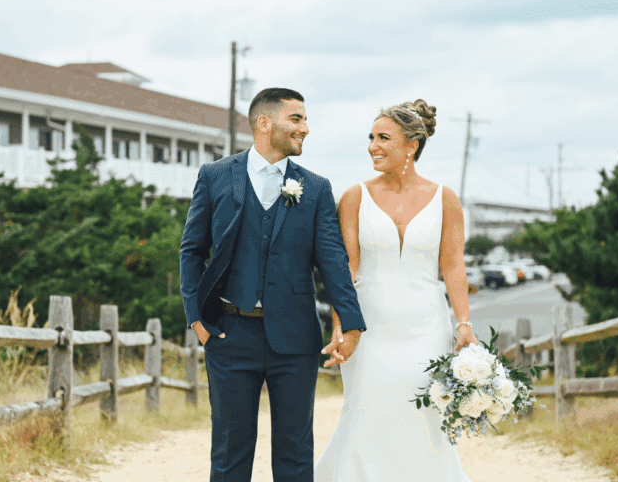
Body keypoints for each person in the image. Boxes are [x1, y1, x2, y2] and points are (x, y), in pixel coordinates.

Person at [180, 87, 366, 482]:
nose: (306, 129)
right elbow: (192, 251)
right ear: (265, 123)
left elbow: (333, 260)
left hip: (296, 337)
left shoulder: (314, 187)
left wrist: (350, 322)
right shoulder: (214, 177)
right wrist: (196, 318)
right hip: (228, 333)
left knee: (295, 453)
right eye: (296, 119)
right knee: (229, 451)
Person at [314, 99, 477, 481]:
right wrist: (342, 326)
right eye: (371, 137)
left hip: (426, 326)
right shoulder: (354, 197)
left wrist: (464, 323)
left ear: (412, 145)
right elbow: (345, 269)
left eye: (383, 138)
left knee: (423, 417)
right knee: (367, 411)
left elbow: (453, 265)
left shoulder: (446, 198)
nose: (373, 146)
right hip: (369, 327)